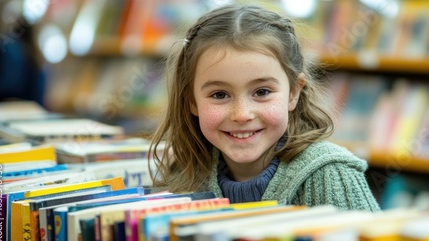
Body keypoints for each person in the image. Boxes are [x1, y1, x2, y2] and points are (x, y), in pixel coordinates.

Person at [149, 4, 380, 212]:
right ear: (191, 101)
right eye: (219, 95)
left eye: (262, 92)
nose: (241, 114)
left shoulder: (331, 175)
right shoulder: (184, 171)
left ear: (293, 93)